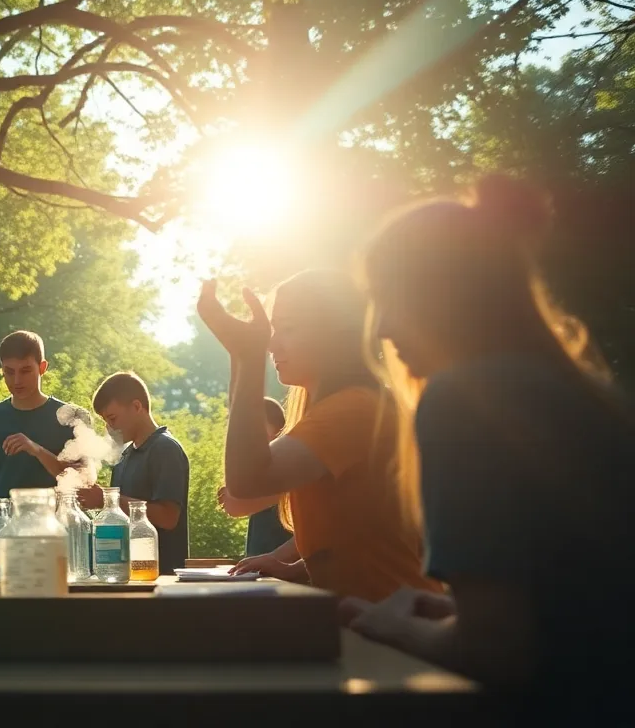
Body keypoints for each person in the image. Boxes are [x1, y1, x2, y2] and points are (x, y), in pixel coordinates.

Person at [340, 175, 635, 702]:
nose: (381, 327)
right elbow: (585, 609)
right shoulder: (590, 398)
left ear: (449, 291)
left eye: (393, 297)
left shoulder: (465, 401)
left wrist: (388, 627)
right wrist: (455, 611)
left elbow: (497, 652)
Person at [198, 270, 440, 601]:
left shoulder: (354, 410)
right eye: (273, 329)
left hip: (395, 624)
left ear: (335, 335)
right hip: (371, 618)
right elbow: (353, 530)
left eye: (289, 329)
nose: (271, 343)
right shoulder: (337, 408)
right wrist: (292, 566)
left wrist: (247, 357)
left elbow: (246, 481)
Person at [0, 331, 83, 522]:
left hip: (52, 531)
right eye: (9, 372)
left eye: (26, 370)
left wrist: (36, 450)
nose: (17, 380)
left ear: (42, 367)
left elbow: (81, 484)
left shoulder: (71, 417)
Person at [80, 372, 190, 575]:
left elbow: (168, 517)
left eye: (112, 418)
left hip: (161, 578)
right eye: (105, 421)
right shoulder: (124, 456)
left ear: (137, 407)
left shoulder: (165, 448)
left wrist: (105, 498)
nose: (109, 427)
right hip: (127, 576)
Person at [220, 397, 290, 557]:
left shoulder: (288, 469)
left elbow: (234, 503)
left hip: (285, 567)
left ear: (279, 431)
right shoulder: (258, 470)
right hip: (258, 564)